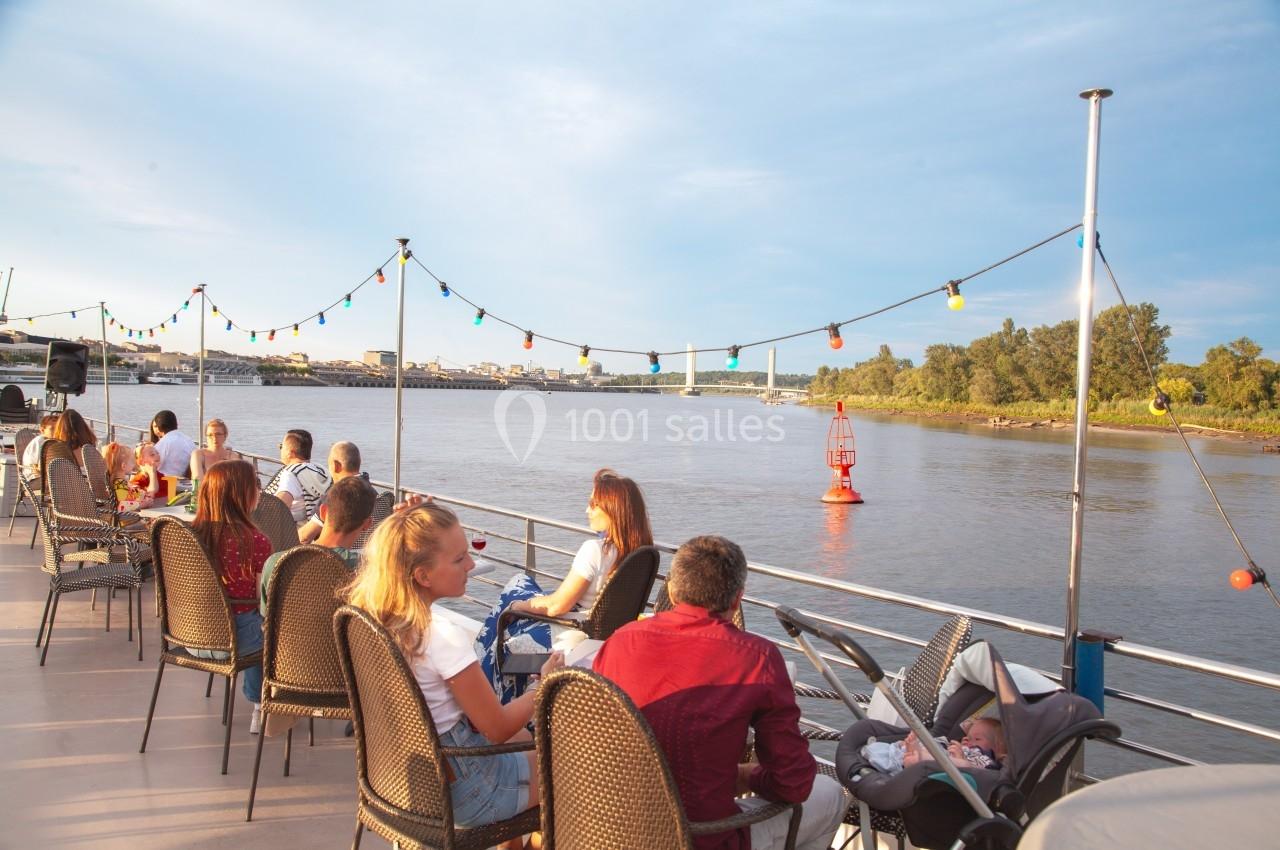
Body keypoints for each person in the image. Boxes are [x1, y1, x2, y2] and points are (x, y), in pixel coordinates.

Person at [593, 535, 847, 850]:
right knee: (830, 794)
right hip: (701, 837)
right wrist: (747, 777)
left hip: (611, 832)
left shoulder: (620, 641)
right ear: (737, 599)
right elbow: (793, 784)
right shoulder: (757, 658)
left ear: (671, 591)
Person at [343, 502, 563, 835]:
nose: (471, 564)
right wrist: (542, 686)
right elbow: (497, 728)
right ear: (422, 575)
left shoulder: (372, 623)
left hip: (397, 781)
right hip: (465, 794)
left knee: (526, 739)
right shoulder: (440, 637)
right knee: (572, 765)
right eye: (459, 559)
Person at [475, 468, 653, 702]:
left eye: (593, 504)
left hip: (573, 625)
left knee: (509, 601)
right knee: (520, 582)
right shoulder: (643, 552)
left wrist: (521, 605)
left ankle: (487, 684)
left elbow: (556, 607)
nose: (586, 510)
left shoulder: (595, 550)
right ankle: (484, 671)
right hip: (603, 626)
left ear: (613, 511)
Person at [190, 460, 271, 735]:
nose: (259, 491)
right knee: (270, 628)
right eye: (255, 486)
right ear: (241, 495)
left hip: (189, 636)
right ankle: (261, 705)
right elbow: (263, 602)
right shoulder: (256, 542)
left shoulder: (189, 536)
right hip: (234, 641)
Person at [259, 475, 377, 618]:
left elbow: (266, 618)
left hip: (280, 641)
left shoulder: (276, 563)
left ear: (322, 512)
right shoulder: (366, 571)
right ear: (367, 524)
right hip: (337, 640)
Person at [299, 440, 363, 544]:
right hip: (368, 556)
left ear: (336, 465)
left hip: (331, 558)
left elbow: (305, 537)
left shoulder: (335, 497)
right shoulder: (374, 494)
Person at [263, 429, 329, 522]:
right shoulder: (320, 470)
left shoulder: (291, 474)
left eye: (281, 446)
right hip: (311, 527)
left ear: (291, 453)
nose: (280, 449)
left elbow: (279, 507)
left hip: (291, 531)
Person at [149, 410, 196, 478]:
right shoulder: (189, 440)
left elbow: (152, 466)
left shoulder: (163, 443)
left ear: (159, 426)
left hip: (166, 481)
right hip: (186, 480)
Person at [22, 413, 59, 478]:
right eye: (52, 429)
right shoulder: (39, 441)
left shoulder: (57, 443)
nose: (55, 432)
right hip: (34, 478)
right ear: (42, 430)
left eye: (57, 429)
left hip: (51, 477)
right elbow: (34, 467)